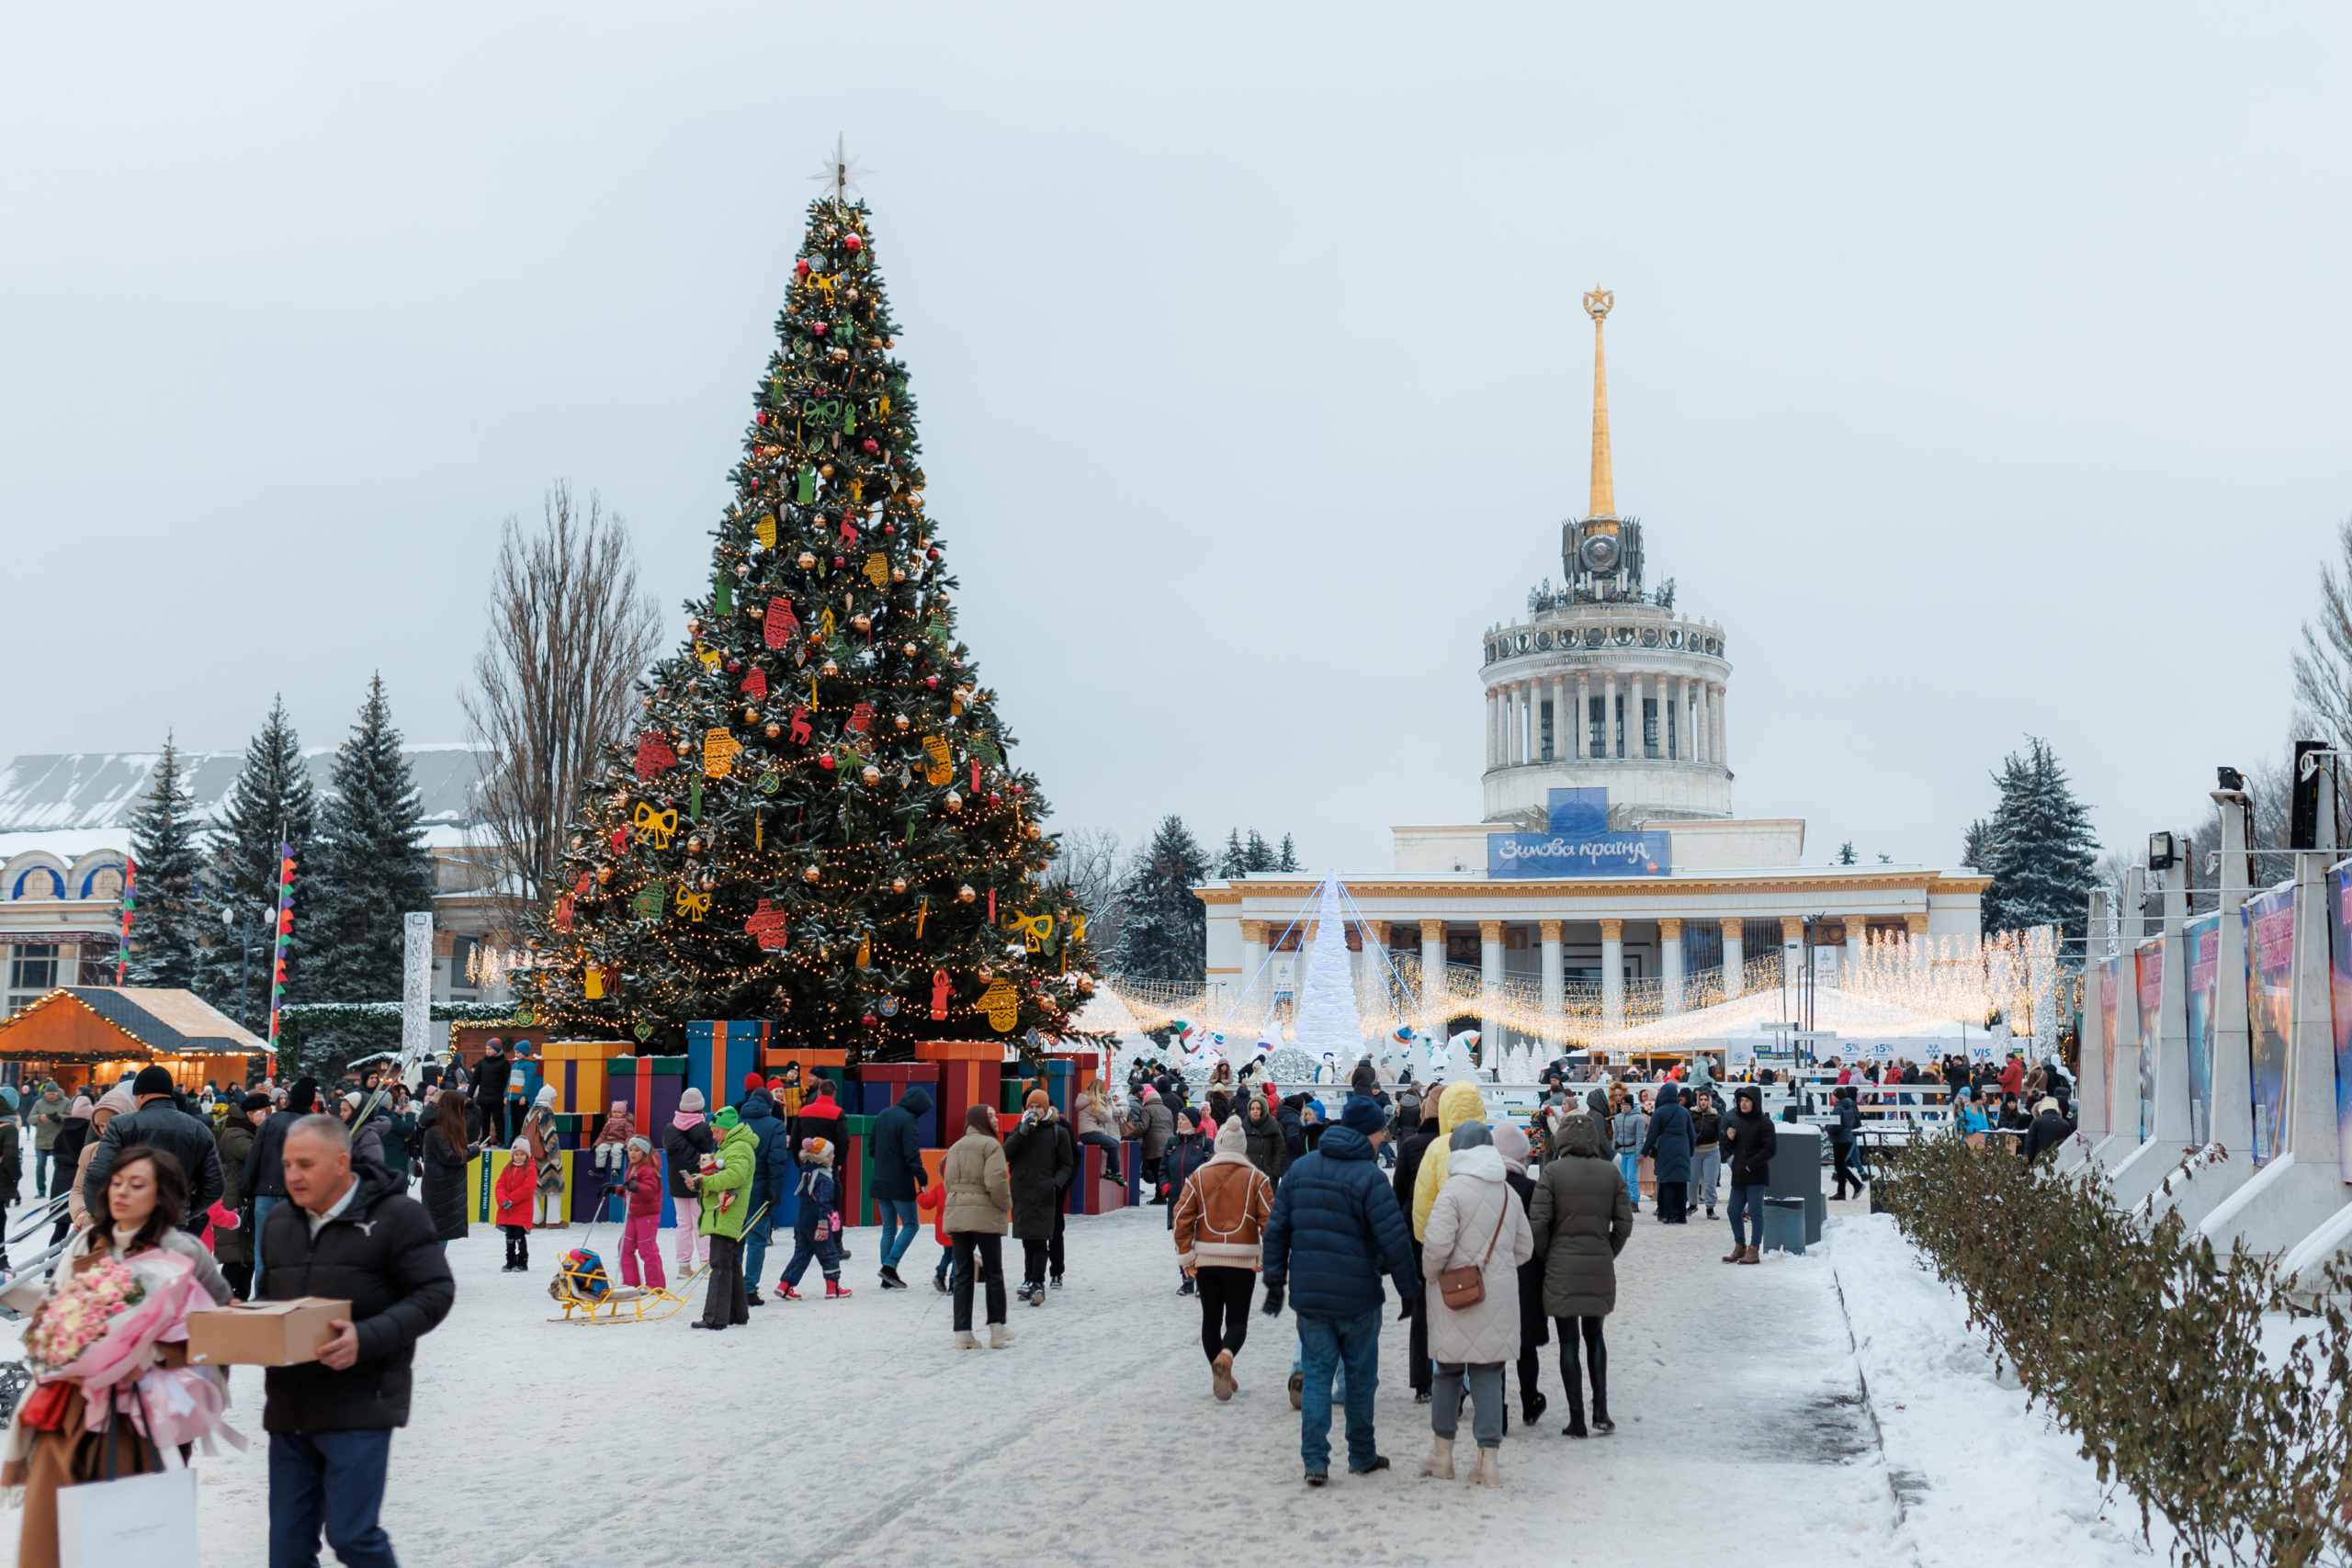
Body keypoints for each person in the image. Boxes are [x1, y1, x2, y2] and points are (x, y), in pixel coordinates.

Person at [3, 1145, 235, 1568]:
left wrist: (169, 1372)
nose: (121, 1193)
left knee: (128, 1538)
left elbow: (215, 1330)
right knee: (56, 1538)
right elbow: (56, 1305)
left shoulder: (184, 1252)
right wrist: (13, 1291)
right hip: (73, 1415)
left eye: (137, 1184)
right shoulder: (89, 1242)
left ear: (164, 1194)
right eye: (116, 1182)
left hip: (143, 1422)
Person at [257, 1113, 454, 1568]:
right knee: (286, 1552)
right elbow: (270, 1297)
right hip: (290, 1406)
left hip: (360, 1401)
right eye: (287, 1164)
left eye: (305, 1164)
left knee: (352, 1537)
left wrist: (364, 1338)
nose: (292, 1175)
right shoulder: (281, 1220)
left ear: (342, 1162)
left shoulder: (397, 1215)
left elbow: (435, 1292)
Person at [1261, 1095, 1419, 1487]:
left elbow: (1278, 1230)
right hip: (1359, 1298)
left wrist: (1276, 1282)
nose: (1384, 1138)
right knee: (1361, 1379)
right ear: (1367, 1133)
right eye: (1381, 1133)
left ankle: (1315, 1462)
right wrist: (1409, 1290)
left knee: (1315, 1375)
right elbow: (1394, 1240)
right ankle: (1362, 1454)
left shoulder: (1300, 1170)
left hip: (1311, 1295)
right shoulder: (1368, 1177)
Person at [1417, 1121, 1533, 1486]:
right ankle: (1489, 1463)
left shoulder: (1452, 1192)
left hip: (1454, 1298)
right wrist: (1495, 1272)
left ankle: (1442, 1455)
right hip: (1495, 1299)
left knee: (1447, 1374)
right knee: (1489, 1374)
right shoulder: (1508, 1194)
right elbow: (1524, 1248)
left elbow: (1435, 1248)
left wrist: (1434, 1274)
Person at [1531, 1108, 1632, 1437]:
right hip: (1598, 1263)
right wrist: (1607, 1251)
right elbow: (1624, 1222)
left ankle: (1577, 1420)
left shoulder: (1552, 1173)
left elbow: (1538, 1225)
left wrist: (1550, 1256)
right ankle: (1601, 1410)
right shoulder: (1610, 1174)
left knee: (1568, 1344)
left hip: (1560, 1265)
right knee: (1595, 1336)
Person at [1172, 1113, 1276, 1402]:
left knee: (1210, 1320)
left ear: (1218, 1144)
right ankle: (1227, 1359)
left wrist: (1186, 1254)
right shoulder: (1258, 1178)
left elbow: (1181, 1216)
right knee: (1237, 1322)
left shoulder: (1199, 1176)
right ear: (1242, 1147)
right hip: (1242, 1260)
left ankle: (1219, 1370)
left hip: (1206, 1258)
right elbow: (1272, 1222)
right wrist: (1268, 1256)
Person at [81, 1065, 224, 1233]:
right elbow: (215, 1186)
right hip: (173, 1223)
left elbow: (97, 1175)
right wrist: (182, 1210)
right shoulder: (200, 1129)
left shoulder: (120, 1125)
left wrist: (101, 1215)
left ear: (140, 1095)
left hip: (128, 1220)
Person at [942, 1102, 1015, 1349]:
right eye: (991, 1117)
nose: (996, 1120)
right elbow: (995, 1181)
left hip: (958, 1214)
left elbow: (947, 1181)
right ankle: (997, 1329)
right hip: (985, 1214)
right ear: (981, 1121)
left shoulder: (956, 1146)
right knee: (993, 1272)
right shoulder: (991, 1145)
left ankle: (962, 1335)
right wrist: (1005, 1204)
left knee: (963, 1274)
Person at [1492, 1121, 1549, 1427]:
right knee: (1525, 1344)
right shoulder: (1531, 1188)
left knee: (1496, 1346)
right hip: (1526, 1274)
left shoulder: (1486, 1186)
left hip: (1493, 1274)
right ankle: (1530, 1401)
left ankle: (1498, 1412)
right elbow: (1539, 1234)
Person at [1390, 1085, 1442, 1404]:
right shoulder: (1458, 1144)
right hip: (1454, 1233)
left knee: (1423, 1306)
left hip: (1418, 1233)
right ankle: (1457, 1377)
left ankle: (1422, 1381)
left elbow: (1398, 1194)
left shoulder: (1411, 1145)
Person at [686, 1105, 755, 1330]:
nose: (713, 1136)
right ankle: (736, 1314)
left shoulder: (738, 1147)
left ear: (727, 1129)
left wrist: (704, 1182)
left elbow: (735, 1176)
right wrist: (699, 1179)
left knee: (719, 1264)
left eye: (716, 1131)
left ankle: (715, 1318)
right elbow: (721, 1173)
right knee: (730, 1262)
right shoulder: (732, 1147)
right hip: (724, 1212)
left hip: (726, 1212)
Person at [1004, 1089, 1075, 1303]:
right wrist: (1023, 1131)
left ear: (1046, 1108)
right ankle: (1030, 1281)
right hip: (1022, 1191)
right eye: (1030, 1107)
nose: (1034, 1110)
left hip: (1045, 1192)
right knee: (1028, 1238)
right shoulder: (1021, 1128)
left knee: (1040, 1239)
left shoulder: (1058, 1131)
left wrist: (1055, 1184)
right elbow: (1006, 1154)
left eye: (1038, 1107)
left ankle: (1037, 1282)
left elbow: (1067, 1164)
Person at [243, 1077, 319, 1271]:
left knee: (263, 1250)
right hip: (298, 1194)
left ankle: (262, 1295)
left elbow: (255, 1155)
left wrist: (247, 1187)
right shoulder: (314, 1125)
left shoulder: (272, 1120)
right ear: (310, 1101)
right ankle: (288, 1295)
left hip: (265, 1192)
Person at [869, 1084, 933, 1289]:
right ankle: (890, 1266)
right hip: (899, 1183)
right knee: (911, 1225)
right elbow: (912, 1154)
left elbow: (871, 1148)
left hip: (880, 1180)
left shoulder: (883, 1114)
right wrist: (922, 1180)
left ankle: (886, 1277)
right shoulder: (908, 1120)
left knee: (888, 1228)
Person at [775, 1135, 850, 1301]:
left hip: (802, 1217)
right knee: (828, 1251)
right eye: (831, 1154)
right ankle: (833, 1288)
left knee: (803, 1252)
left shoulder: (807, 1172)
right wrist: (823, 1225)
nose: (834, 1156)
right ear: (823, 1157)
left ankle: (785, 1285)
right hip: (817, 1219)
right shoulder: (823, 1178)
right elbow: (823, 1203)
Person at [733, 1085, 788, 1306]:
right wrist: (775, 1192)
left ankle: (732, 1286)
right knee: (757, 1242)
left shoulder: (735, 1123)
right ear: (769, 1105)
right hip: (760, 1189)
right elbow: (776, 1161)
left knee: (734, 1239)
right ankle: (748, 1290)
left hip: (734, 1189)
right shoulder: (775, 1125)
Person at [1721, 1084, 1778, 1265]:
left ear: (1755, 1102)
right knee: (1733, 1210)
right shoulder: (1737, 1121)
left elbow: (1770, 1149)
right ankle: (1740, 1247)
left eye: (1747, 1101)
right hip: (1739, 1174)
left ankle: (1754, 1250)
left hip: (1755, 1174)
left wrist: (1751, 1164)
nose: (1743, 1104)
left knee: (1755, 1211)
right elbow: (1732, 1147)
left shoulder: (1765, 1123)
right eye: (1741, 1100)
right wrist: (1730, 1138)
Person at [215, 1091, 265, 1298]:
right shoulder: (234, 1133)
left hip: (246, 1201)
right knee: (235, 1259)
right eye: (265, 1112)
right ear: (252, 1113)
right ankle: (220, 1304)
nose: (268, 1117)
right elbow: (257, 1153)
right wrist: (263, 1128)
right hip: (235, 1201)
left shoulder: (246, 1131)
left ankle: (240, 1304)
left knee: (248, 1259)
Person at [1159, 1107, 1214, 1294]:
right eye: (1178, 1118)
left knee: (1200, 1240)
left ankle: (1202, 1281)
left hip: (1199, 1200)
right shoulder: (1172, 1143)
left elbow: (1212, 1172)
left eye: (1182, 1119)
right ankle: (1187, 1280)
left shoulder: (1207, 1144)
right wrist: (1167, 1187)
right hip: (1177, 1200)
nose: (1179, 1122)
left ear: (1192, 1121)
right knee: (1182, 1240)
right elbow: (1163, 1169)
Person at [663, 1088, 716, 1276]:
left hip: (676, 1183)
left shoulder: (670, 1128)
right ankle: (706, 1263)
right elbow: (709, 1154)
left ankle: (683, 1266)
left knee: (683, 1224)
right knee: (701, 1222)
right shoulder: (703, 1127)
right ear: (700, 1106)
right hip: (698, 1183)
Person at [417, 1090, 472, 1251]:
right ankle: (430, 1270)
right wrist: (473, 1151)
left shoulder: (441, 1126)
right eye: (460, 1107)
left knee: (442, 1232)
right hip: (439, 1188)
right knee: (437, 1235)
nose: (462, 1111)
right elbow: (449, 1158)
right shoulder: (436, 1129)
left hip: (445, 1187)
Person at [614, 1136, 665, 1291]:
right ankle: (631, 1283)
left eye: (637, 1150)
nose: (633, 1153)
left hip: (647, 1216)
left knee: (647, 1249)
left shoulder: (649, 1169)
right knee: (624, 1246)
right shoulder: (632, 1168)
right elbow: (630, 1192)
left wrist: (637, 1187)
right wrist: (615, 1189)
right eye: (630, 1150)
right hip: (634, 1215)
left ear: (645, 1152)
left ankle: (655, 1285)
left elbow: (649, 1191)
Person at [1640, 1084, 1694, 1224]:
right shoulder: (1683, 1112)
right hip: (1683, 1148)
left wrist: (1644, 1152)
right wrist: (1691, 1151)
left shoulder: (1659, 1112)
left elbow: (1651, 1136)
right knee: (1681, 1183)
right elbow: (1691, 1134)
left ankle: (1669, 1216)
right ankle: (1681, 1216)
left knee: (1668, 1183)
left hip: (1666, 1149)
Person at [1069, 1078, 1126, 1187]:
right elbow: (1106, 1117)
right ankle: (1117, 1173)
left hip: (1088, 1132)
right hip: (1090, 1133)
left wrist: (1105, 1099)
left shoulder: (1088, 1100)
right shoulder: (1093, 1102)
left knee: (1115, 1143)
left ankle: (1109, 1172)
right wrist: (1109, 1105)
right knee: (1113, 1146)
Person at [494, 1136, 535, 1272]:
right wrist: (502, 1200)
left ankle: (522, 1262)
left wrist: (510, 1199)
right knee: (509, 1237)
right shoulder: (508, 1168)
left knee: (519, 1236)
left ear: (527, 1154)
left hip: (521, 1210)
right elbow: (500, 1185)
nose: (519, 1157)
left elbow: (527, 1188)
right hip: (507, 1210)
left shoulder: (530, 1168)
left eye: (522, 1154)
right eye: (516, 1154)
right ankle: (510, 1261)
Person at [1689, 1089, 1723, 1220]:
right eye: (1701, 1100)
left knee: (1710, 1182)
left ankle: (1710, 1208)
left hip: (1711, 1151)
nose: (1703, 1102)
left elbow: (1721, 1134)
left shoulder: (1716, 1116)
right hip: (1695, 1152)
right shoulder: (1691, 1115)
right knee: (1692, 1181)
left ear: (1710, 1101)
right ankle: (1692, 1205)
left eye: (1705, 1100)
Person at [469, 1039, 511, 1145]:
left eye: (490, 1049)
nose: (488, 1051)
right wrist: (469, 1094)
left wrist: (506, 1095)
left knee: (498, 1118)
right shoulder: (481, 1063)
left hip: (497, 1096)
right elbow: (475, 1079)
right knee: (484, 1119)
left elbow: (507, 1080)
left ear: (497, 1050)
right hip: (484, 1096)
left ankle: (500, 1138)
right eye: (486, 1049)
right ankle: (485, 1139)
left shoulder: (504, 1063)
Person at [1611, 1089, 1647, 1213]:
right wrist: (1613, 1152)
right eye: (1622, 1105)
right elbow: (1616, 1135)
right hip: (1621, 1152)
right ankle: (1624, 1201)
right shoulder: (1618, 1118)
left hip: (1632, 1152)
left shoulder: (1639, 1118)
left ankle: (1634, 1201)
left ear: (1631, 1105)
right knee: (1623, 1178)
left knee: (1632, 1178)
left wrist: (1638, 1156)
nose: (1624, 1107)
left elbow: (1639, 1138)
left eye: (1626, 1105)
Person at [1137, 1086, 1174, 1200]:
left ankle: (1160, 1196)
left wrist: (1129, 1135)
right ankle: (1162, 1194)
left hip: (1154, 1144)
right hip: (1168, 1143)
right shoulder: (1167, 1110)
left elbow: (1143, 1127)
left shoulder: (1147, 1109)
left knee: (1155, 1170)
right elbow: (1171, 1127)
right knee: (1163, 1170)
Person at [1242, 1092, 1288, 1182]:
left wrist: (1275, 1172)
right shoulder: (1243, 1126)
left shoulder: (1273, 1127)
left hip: (1267, 1177)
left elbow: (1280, 1150)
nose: (1255, 1111)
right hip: (1248, 1176)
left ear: (1264, 1110)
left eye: (1258, 1109)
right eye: (1252, 1109)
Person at [28, 1081, 63, 1198]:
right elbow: (29, 1119)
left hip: (57, 1140)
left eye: (53, 1094)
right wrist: (39, 1117)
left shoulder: (65, 1102)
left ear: (57, 1093)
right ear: (45, 1093)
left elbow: (71, 1116)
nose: (51, 1096)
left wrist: (59, 1117)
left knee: (58, 1166)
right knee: (40, 1165)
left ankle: (57, 1188)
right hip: (41, 1140)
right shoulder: (39, 1103)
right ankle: (41, 1190)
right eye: (49, 1094)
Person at [1829, 1086, 1866, 1197]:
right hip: (1848, 1138)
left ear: (1837, 1097)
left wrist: (1827, 1128)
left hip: (1840, 1139)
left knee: (1840, 1166)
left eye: (1833, 1095)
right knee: (1840, 1165)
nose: (1832, 1096)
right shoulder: (1848, 1106)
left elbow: (1835, 1126)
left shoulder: (1838, 1109)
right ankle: (1855, 1185)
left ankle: (1842, 1192)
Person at [2020, 1096, 2077, 1163]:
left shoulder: (2037, 1122)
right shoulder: (2064, 1123)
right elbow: (2069, 1144)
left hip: (2040, 1161)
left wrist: (2028, 1163)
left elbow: (2030, 1144)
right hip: (2059, 1161)